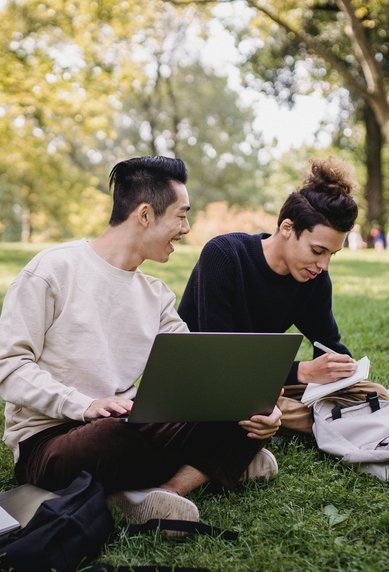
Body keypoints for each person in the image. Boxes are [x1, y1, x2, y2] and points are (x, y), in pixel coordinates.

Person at [0, 156, 281, 527]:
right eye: (181, 216)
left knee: (238, 412)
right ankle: (215, 465)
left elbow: (199, 370)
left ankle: (161, 492)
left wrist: (257, 407)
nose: (186, 228)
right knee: (116, 437)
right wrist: (84, 405)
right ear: (145, 215)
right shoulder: (52, 270)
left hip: (125, 420)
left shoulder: (156, 294)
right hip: (51, 441)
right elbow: (9, 366)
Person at [178, 157, 389, 434]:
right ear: (288, 228)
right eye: (318, 251)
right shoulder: (225, 255)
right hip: (207, 379)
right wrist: (302, 371)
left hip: (264, 382)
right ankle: (324, 419)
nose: (324, 265)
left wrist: (341, 370)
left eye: (331, 254)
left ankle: (311, 416)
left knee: (375, 393)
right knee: (246, 402)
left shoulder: (314, 278)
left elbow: (328, 344)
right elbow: (219, 359)